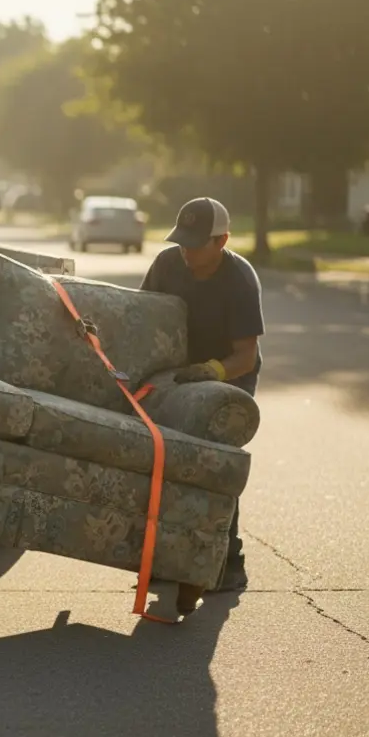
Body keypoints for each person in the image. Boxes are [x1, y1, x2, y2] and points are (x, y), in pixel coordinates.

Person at [139, 196, 263, 612]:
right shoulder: (167, 264)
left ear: (222, 240)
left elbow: (245, 356)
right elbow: (141, 316)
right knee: (166, 454)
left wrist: (211, 372)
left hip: (228, 376)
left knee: (216, 459)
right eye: (182, 240)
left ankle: (227, 561)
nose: (186, 251)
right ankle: (169, 555)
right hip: (177, 369)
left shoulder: (240, 280)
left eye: (196, 243)